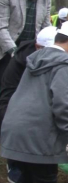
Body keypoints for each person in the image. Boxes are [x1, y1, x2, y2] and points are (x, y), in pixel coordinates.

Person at [1, 21, 68, 183]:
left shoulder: (35, 57)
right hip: (39, 138)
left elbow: (38, 93)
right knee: (44, 177)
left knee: (23, 177)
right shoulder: (64, 63)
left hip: (15, 133)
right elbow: (62, 105)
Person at [0, 26, 57, 183]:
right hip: (13, 114)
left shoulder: (46, 57)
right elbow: (7, 99)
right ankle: (16, 167)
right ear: (39, 47)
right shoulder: (22, 63)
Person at [0, 0, 54, 83]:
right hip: (6, 52)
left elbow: (45, 27)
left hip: (31, 52)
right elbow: (1, 27)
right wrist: (15, 53)